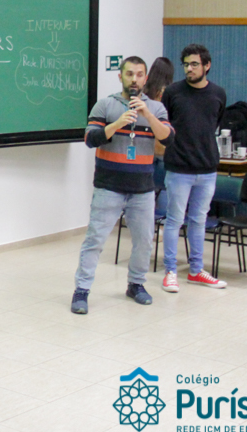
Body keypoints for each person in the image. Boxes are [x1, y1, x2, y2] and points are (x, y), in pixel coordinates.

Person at [70, 56, 173, 315]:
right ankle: (82, 290)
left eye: (139, 74)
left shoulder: (156, 108)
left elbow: (167, 138)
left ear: (145, 78)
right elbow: (90, 139)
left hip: (142, 189)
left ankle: (136, 284)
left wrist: (146, 114)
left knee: (144, 241)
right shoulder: (106, 104)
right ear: (120, 77)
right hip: (109, 186)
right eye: (129, 74)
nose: (134, 79)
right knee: (95, 239)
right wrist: (117, 124)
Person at [161, 44, 229, 292]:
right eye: (186, 64)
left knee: (199, 220)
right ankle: (170, 272)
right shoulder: (173, 92)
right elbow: (164, 125)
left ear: (207, 66)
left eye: (194, 64)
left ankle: (196, 270)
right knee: (174, 220)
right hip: (179, 168)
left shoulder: (218, 94)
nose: (189, 69)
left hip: (207, 168)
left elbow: (214, 124)